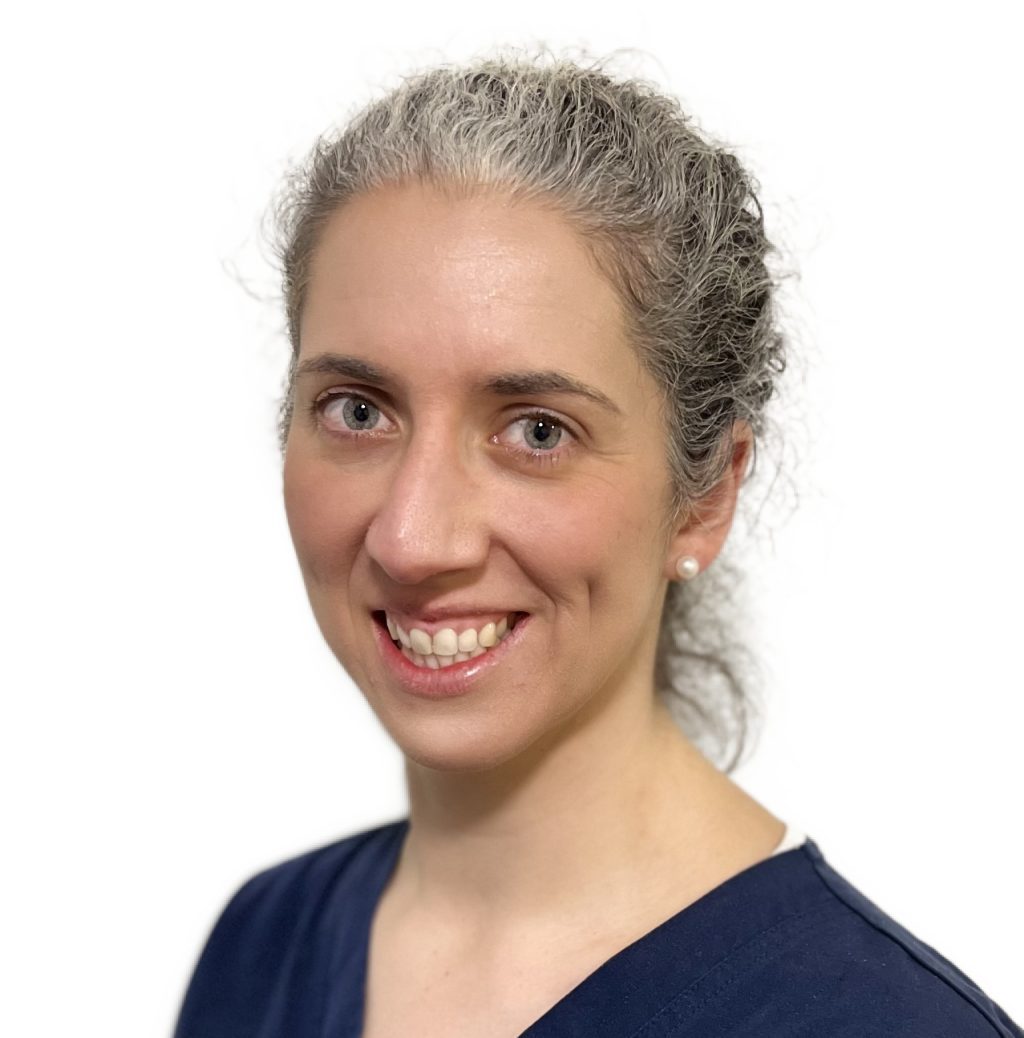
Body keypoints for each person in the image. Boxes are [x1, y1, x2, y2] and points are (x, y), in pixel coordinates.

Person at [173, 52, 1022, 1038]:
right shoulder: (263, 944)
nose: (412, 538)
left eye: (536, 431)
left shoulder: (876, 1025)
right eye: (358, 410)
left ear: (702, 498)